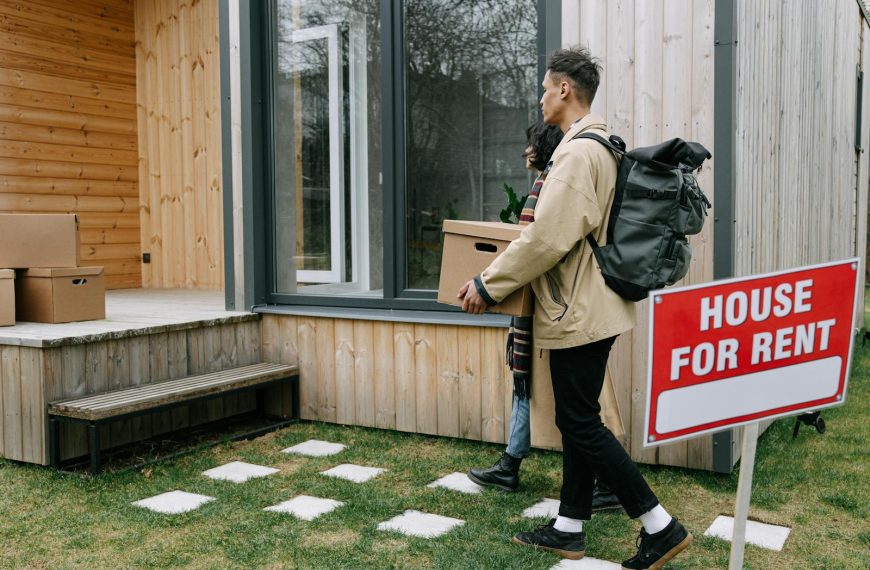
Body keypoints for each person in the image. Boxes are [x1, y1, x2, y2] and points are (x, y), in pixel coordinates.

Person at [458, 47, 692, 568]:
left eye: (545, 88)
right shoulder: (602, 144)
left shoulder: (577, 153)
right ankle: (569, 525)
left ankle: (660, 525)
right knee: (577, 416)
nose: (541, 98)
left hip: (577, 310)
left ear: (565, 89)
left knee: (581, 421)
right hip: (593, 305)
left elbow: (546, 238)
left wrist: (487, 283)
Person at [466, 121, 622, 515]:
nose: (525, 152)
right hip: (568, 308)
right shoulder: (570, 170)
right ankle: (568, 513)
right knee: (571, 410)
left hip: (560, 310)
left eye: (531, 145)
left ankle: (631, 501)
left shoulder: (554, 180)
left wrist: (488, 284)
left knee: (580, 414)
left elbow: (537, 243)